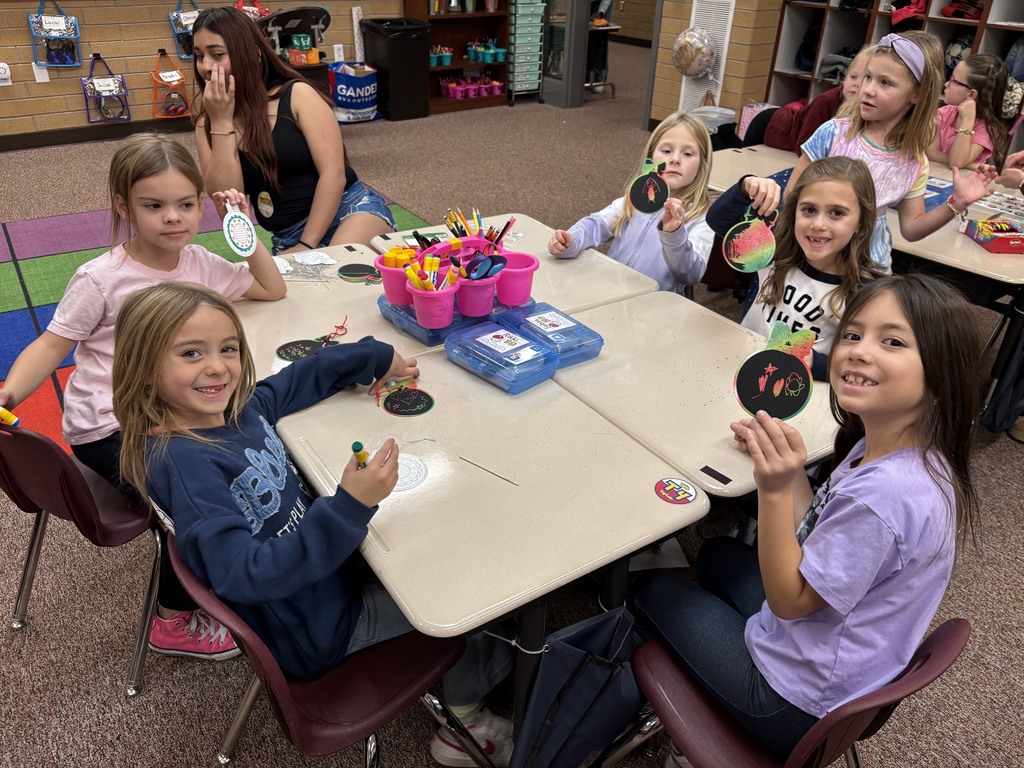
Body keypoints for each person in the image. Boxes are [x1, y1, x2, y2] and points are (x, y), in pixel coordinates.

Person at [112, 282, 514, 767]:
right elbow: (243, 574)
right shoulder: (187, 465)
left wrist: (373, 357)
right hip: (321, 626)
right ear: (144, 369)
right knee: (483, 592)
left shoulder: (226, 415)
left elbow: (290, 384)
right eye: (191, 353)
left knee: (443, 539)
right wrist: (347, 507)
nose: (217, 366)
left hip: (325, 577)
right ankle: (465, 722)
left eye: (228, 349)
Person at [635, 273, 981, 766]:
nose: (858, 350)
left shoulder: (885, 496)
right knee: (715, 555)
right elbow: (816, 531)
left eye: (893, 341)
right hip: (835, 662)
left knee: (651, 589)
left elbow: (792, 601)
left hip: (792, 702)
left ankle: (667, 737)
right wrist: (792, 470)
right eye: (854, 334)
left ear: (942, 377)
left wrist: (775, 489)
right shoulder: (903, 452)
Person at [0, 133, 286, 660]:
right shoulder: (101, 279)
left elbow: (272, 288)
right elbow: (50, 344)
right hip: (110, 428)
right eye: (154, 206)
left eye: (185, 204)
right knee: (200, 498)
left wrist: (241, 232)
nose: (173, 218)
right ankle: (172, 621)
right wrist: (10, 392)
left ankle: (237, 567)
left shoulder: (198, 262)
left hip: (178, 413)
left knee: (254, 459)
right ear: (123, 205)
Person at [191, 7, 394, 254]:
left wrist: (306, 245)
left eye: (217, 54)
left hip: (350, 210)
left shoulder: (298, 95)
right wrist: (222, 122)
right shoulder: (207, 124)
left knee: (334, 269)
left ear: (253, 54)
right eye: (199, 56)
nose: (206, 66)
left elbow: (334, 174)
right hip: (287, 235)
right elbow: (227, 198)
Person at [792, 32, 997, 272]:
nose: (867, 89)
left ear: (917, 94)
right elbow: (792, 196)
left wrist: (958, 203)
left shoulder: (914, 162)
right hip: (814, 257)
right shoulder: (833, 134)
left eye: (885, 83)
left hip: (867, 271)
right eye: (868, 77)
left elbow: (911, 228)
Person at [707, 157, 879, 380]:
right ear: (794, 210)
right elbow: (718, 221)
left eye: (836, 213)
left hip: (799, 392)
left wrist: (816, 363)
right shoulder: (772, 253)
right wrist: (744, 188)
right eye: (809, 210)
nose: (818, 224)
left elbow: (863, 366)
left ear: (860, 224)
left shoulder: (863, 292)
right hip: (742, 369)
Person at [547, 111, 715, 294]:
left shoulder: (702, 216)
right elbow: (595, 225)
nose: (675, 159)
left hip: (654, 306)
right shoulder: (635, 199)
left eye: (688, 154)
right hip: (610, 292)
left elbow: (691, 274)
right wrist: (570, 242)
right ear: (651, 156)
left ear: (702, 163)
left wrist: (674, 234)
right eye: (666, 151)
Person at [761, 45, 873, 152]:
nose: (856, 84)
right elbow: (804, 146)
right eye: (853, 77)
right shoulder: (825, 101)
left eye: (865, 79)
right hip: (771, 125)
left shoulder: (868, 111)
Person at [927, 53, 1009, 169]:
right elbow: (931, 154)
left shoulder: (986, 129)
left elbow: (956, 162)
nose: (946, 84)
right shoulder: (943, 113)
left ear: (971, 94)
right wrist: (972, 166)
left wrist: (967, 119)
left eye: (953, 81)